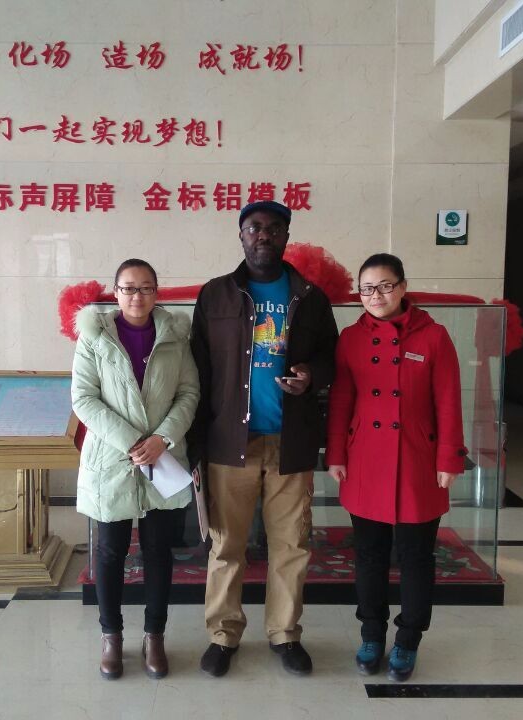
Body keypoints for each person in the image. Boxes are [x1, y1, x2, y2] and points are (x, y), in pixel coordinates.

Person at [188, 200, 339, 678]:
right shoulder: (215, 296)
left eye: (274, 229)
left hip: (289, 442)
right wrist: (196, 443)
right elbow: (198, 372)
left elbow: (334, 359)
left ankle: (284, 634)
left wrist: (311, 375)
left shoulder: (310, 296)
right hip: (229, 442)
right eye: (254, 228)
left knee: (290, 545)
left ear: (286, 237)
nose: (264, 236)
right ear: (241, 234)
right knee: (226, 544)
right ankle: (222, 635)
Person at [325, 253, 467, 681]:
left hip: (418, 463)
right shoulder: (350, 338)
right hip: (365, 461)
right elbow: (341, 401)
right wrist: (335, 454)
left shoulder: (434, 337)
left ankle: (408, 640)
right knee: (368, 556)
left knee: (416, 557)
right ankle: (371, 634)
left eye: (385, 286)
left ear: (403, 287)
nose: (376, 296)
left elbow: (448, 402)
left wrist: (448, 459)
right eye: (367, 289)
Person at [71, 259, 199, 681]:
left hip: (163, 458)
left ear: (157, 291)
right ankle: (111, 636)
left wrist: (162, 439)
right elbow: (84, 399)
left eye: (145, 288)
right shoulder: (94, 336)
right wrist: (132, 441)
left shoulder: (176, 336)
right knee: (109, 552)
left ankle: (154, 635)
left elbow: (188, 392)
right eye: (128, 288)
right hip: (113, 458)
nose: (136, 296)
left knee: (160, 551)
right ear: (115, 291)